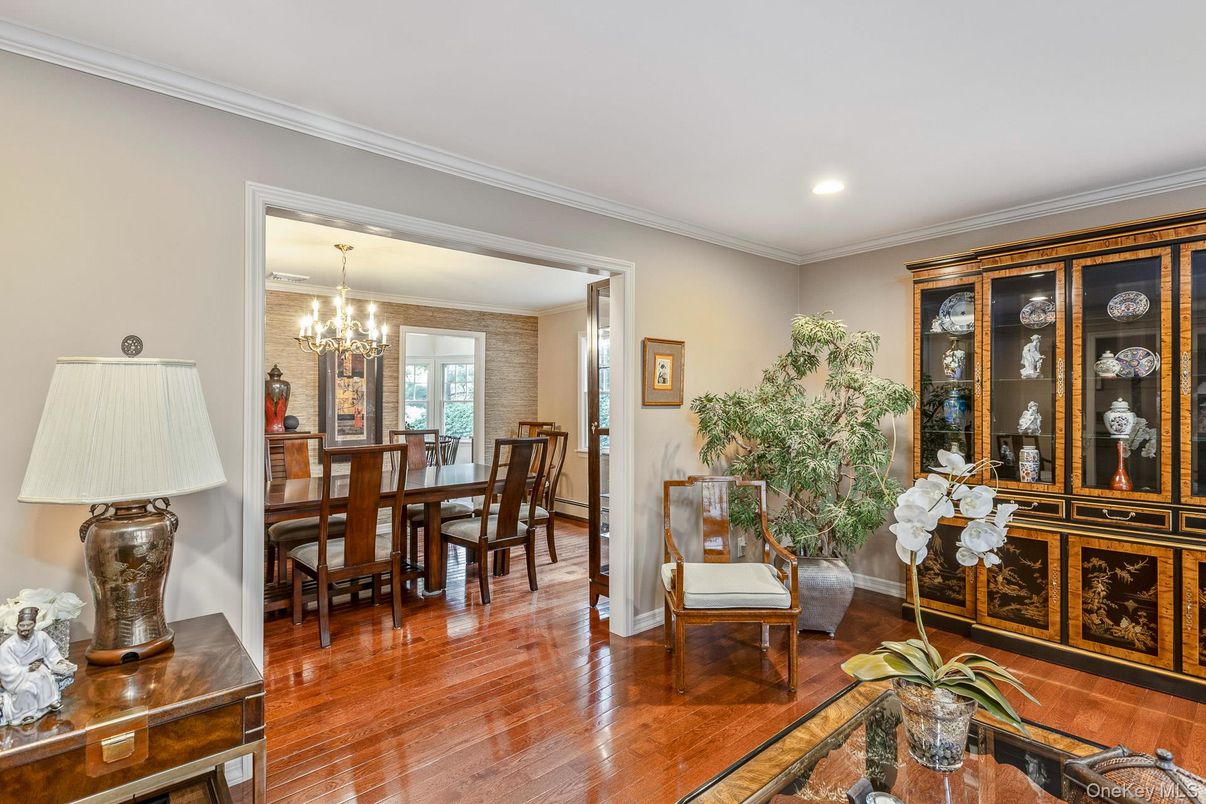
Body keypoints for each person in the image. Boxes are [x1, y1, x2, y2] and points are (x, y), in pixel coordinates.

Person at [0, 607, 76, 725]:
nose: (25, 629)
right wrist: (27, 669)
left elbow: (52, 653)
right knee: (27, 688)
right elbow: (6, 669)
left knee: (42, 674)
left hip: (39, 668)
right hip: (19, 676)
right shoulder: (8, 646)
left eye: (29, 625)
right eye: (22, 625)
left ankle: (50, 702)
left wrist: (60, 662)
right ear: (17, 626)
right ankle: (25, 714)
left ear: (34, 624)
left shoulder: (41, 637)